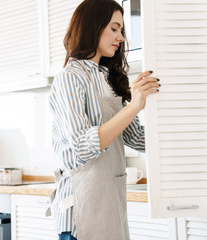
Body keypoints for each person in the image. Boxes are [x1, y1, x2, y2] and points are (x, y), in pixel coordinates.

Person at [48, 0, 160, 239]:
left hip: (111, 204)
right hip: (82, 206)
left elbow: (138, 138)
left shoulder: (108, 79)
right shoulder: (70, 77)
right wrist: (134, 105)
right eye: (114, 28)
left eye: (121, 31)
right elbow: (80, 148)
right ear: (92, 26)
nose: (120, 37)